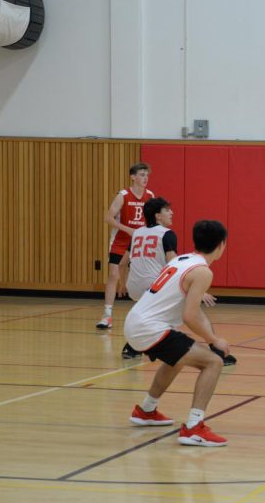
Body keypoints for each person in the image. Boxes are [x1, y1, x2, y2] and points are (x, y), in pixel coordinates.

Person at [124, 220, 233, 447]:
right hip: (149, 327)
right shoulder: (202, 272)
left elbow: (196, 312)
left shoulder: (182, 260)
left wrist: (212, 337)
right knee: (213, 363)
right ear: (222, 245)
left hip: (135, 322)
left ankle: (146, 410)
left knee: (178, 357)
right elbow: (190, 316)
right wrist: (214, 341)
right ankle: (194, 427)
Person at [117, 198, 235, 365]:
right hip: (156, 283)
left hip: (134, 285)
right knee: (193, 313)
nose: (171, 213)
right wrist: (195, 287)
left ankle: (132, 346)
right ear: (158, 216)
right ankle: (216, 348)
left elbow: (122, 263)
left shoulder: (137, 232)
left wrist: (123, 283)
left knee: (153, 315)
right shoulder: (166, 233)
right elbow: (173, 262)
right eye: (167, 210)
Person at [96, 162, 154, 330]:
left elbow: (155, 218)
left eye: (147, 175)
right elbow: (108, 218)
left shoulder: (150, 196)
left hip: (140, 242)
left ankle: (145, 314)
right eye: (142, 175)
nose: (145, 178)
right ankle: (107, 316)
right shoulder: (123, 195)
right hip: (120, 241)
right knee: (113, 274)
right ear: (133, 177)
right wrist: (127, 229)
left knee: (142, 276)